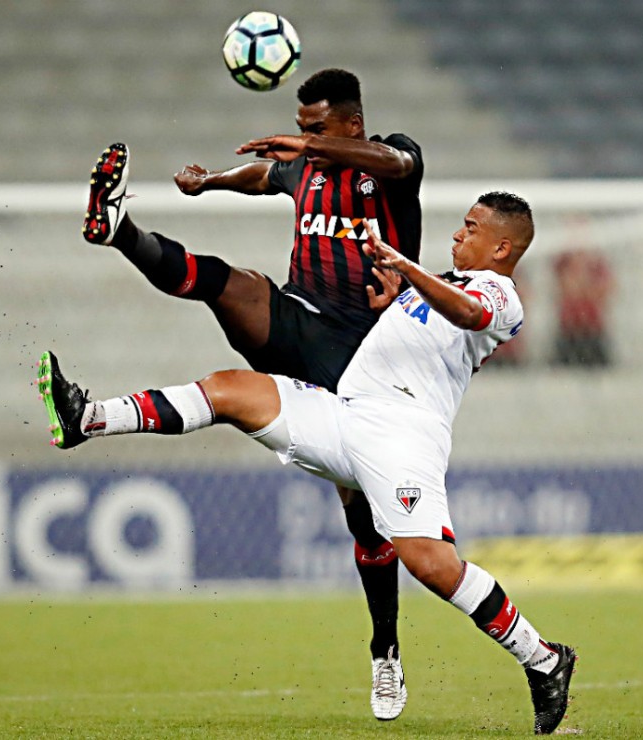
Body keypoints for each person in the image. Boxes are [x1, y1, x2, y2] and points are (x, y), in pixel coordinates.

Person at [38, 192, 577, 734]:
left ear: (502, 247)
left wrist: (405, 269)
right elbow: (433, 327)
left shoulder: (500, 294)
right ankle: (89, 418)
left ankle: (543, 659)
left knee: (432, 566)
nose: (458, 234)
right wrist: (396, 298)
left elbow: (468, 313)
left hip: (402, 436)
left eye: (471, 227)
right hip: (345, 413)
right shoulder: (441, 283)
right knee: (229, 390)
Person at [78, 68, 423, 719]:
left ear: (351, 123)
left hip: (367, 357)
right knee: (225, 283)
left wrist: (310, 148)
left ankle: (386, 652)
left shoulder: (391, 162)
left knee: (365, 519)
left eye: (316, 128)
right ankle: (119, 229)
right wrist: (209, 182)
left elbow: (396, 161)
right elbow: (264, 177)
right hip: (298, 320)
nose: (303, 139)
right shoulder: (305, 169)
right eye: (300, 127)